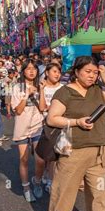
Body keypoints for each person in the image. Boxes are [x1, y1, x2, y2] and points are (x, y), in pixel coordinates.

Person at [47, 56, 105, 211]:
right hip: (73, 151)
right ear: (76, 72)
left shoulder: (98, 90)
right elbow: (52, 118)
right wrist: (77, 122)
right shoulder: (64, 92)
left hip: (100, 152)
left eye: (95, 72)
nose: (92, 76)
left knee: (101, 197)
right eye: (87, 72)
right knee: (65, 192)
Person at [11, 59, 46, 202]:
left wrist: (41, 91)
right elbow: (18, 111)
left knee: (40, 160)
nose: (31, 71)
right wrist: (27, 94)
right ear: (23, 71)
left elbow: (43, 108)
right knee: (24, 159)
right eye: (28, 68)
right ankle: (26, 188)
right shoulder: (17, 88)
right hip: (22, 128)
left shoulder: (40, 85)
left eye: (34, 68)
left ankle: (37, 182)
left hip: (37, 127)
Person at [38, 63, 63, 193]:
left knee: (58, 155)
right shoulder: (42, 87)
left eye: (59, 72)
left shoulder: (63, 88)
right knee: (48, 155)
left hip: (60, 125)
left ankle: (53, 180)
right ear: (47, 73)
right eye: (54, 71)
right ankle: (46, 175)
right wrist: (42, 90)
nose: (57, 74)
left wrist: (52, 108)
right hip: (45, 125)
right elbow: (42, 108)